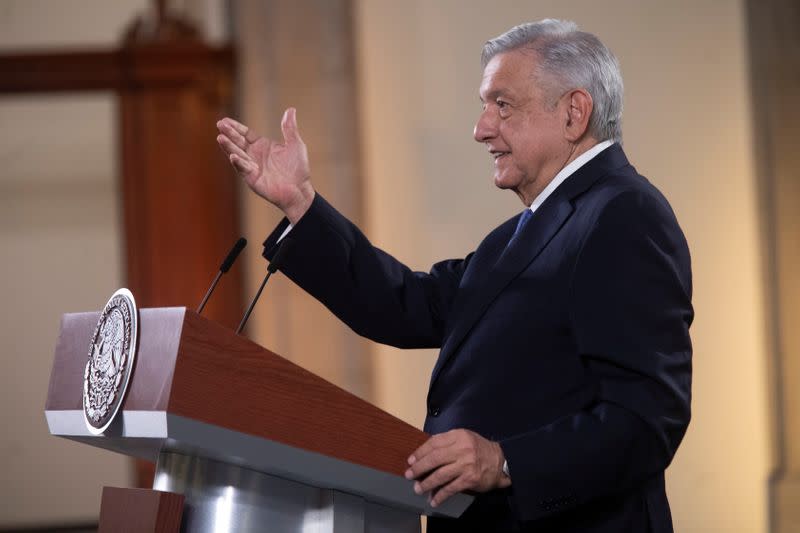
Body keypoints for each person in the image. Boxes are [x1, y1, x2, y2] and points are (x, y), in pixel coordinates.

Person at [216, 18, 692, 533]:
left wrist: (503, 461)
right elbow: (406, 306)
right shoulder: (525, 231)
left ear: (574, 113)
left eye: (502, 105)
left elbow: (646, 418)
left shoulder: (624, 214)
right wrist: (301, 205)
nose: (481, 128)